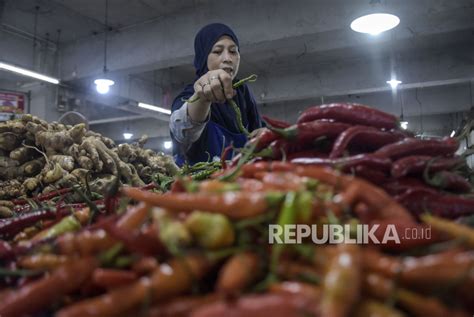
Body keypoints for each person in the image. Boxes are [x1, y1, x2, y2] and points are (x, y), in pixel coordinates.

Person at [169, 23, 264, 166]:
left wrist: (264, 135)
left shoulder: (243, 95)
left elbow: (259, 133)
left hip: (240, 185)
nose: (227, 58)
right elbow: (182, 130)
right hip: (195, 185)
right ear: (203, 57)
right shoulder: (190, 94)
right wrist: (202, 99)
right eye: (217, 51)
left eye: (233, 51)